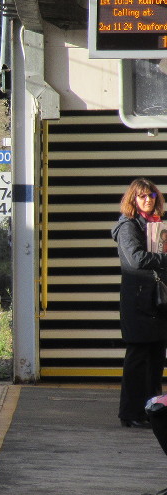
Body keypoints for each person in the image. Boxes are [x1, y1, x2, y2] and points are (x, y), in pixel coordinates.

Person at [112, 178, 167, 428]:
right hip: (138, 304)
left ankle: (150, 411)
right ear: (133, 200)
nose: (148, 200)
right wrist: (164, 257)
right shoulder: (128, 226)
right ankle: (130, 413)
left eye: (152, 196)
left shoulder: (156, 225)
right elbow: (135, 259)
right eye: (142, 196)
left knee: (155, 360)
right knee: (137, 359)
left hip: (156, 304)